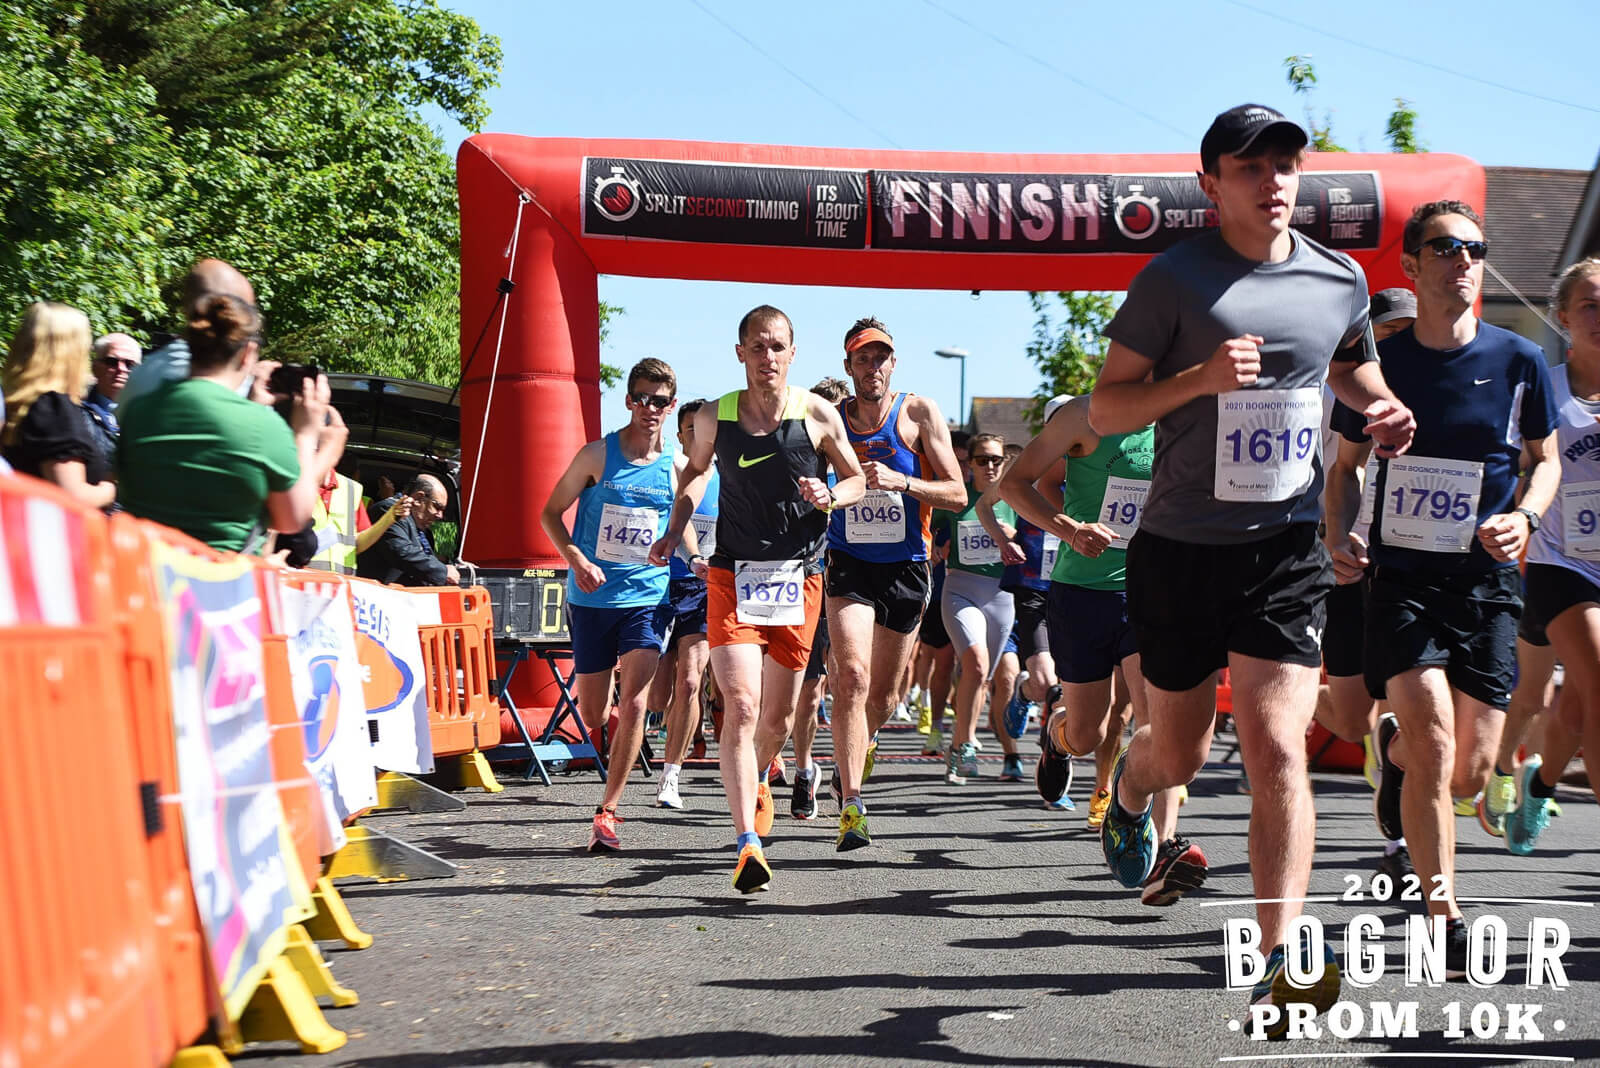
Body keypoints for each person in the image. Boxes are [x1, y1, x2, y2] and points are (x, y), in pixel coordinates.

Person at [1087, 103, 1415, 1031]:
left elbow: (1351, 372)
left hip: (1284, 549)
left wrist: (1381, 410)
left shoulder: (1337, 277)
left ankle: (1281, 951)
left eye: (1285, 162)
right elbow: (1108, 411)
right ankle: (1129, 789)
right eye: (1249, 165)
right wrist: (1197, 380)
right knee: (1179, 750)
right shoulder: (1172, 281)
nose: (1273, 179)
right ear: (1211, 183)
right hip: (1181, 551)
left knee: (1277, 747)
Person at [1328, 199, 1558, 975]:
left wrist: (1526, 516)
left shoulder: (1519, 359)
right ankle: (1443, 909)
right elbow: (1345, 470)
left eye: (1475, 248)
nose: (1464, 260)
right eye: (1447, 248)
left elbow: (1546, 459)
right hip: (1404, 577)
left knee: (1466, 770)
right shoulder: (1380, 368)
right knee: (1432, 742)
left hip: (1487, 580)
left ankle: (1390, 751)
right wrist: (1342, 533)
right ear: (1412, 265)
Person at [649, 305, 865, 893]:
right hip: (732, 576)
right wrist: (675, 528)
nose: (767, 357)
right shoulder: (715, 415)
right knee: (741, 707)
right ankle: (747, 843)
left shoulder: (818, 414)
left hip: (799, 579)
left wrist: (831, 493)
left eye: (777, 347)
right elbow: (694, 473)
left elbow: (858, 479)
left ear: (792, 353)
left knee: (776, 716)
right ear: (739, 352)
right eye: (757, 347)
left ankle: (761, 779)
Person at [1001, 393, 1204, 905]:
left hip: (1152, 591)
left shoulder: (1185, 414)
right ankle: (1057, 734)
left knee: (1160, 722)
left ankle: (1161, 849)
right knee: (1089, 733)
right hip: (1083, 595)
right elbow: (1015, 483)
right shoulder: (1083, 416)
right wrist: (1068, 527)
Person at [824, 320, 964, 848]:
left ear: (893, 363)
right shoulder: (831, 420)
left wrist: (903, 480)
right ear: (849, 367)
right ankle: (852, 803)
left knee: (880, 696)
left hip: (907, 566)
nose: (873, 367)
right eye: (863, 358)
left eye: (881, 357)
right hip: (849, 560)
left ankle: (863, 742)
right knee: (852, 677)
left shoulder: (918, 413)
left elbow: (955, 493)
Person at [541, 359, 692, 850]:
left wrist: (697, 557)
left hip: (647, 597)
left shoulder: (673, 465)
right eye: (643, 398)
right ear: (629, 400)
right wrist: (576, 557)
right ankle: (602, 728)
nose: (651, 408)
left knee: (636, 701)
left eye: (661, 401)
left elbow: (681, 523)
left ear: (671, 407)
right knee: (593, 710)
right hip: (591, 598)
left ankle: (608, 810)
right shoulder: (596, 456)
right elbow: (550, 512)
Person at [1492, 257, 1600, 851]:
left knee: (1580, 707)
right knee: (1574, 684)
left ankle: (1540, 785)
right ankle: (1510, 767)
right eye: (1589, 304)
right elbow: (1512, 466)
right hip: (1563, 562)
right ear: (1561, 317)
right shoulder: (1547, 389)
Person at [1318, 287, 1417, 880]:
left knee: (1409, 712)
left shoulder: (1430, 390)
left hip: (1410, 560)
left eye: (1411, 331)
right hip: (1338, 556)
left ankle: (1401, 838)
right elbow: (1329, 473)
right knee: (1356, 718)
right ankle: (1284, 703)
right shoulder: (1334, 389)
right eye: (1391, 334)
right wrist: (1328, 541)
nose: (1401, 345)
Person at [117, 293, 338, 551]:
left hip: (143, 574)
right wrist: (306, 434)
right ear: (248, 353)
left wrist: (254, 405)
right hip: (216, 584)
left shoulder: (140, 410)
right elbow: (291, 519)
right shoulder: (264, 428)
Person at [932, 432, 1017, 785]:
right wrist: (937, 547)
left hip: (1001, 595)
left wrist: (1016, 537)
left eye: (997, 459)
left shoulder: (1017, 498)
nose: (990, 466)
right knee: (976, 663)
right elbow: (930, 535)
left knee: (981, 677)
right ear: (970, 464)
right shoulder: (955, 499)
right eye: (982, 459)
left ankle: (955, 744)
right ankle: (966, 745)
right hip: (961, 589)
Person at [790, 375, 852, 821]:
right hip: (810, 577)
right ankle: (805, 769)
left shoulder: (861, 465)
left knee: (858, 683)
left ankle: (849, 761)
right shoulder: (797, 462)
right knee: (810, 692)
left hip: (855, 581)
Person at [655, 398, 719, 811]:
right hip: (661, 586)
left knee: (691, 681)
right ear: (680, 436)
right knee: (659, 695)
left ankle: (670, 776)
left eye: (703, 429)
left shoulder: (728, 476)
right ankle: (663, 728)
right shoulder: (667, 471)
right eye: (689, 430)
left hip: (705, 589)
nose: (697, 436)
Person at [1, 303, 115, 511]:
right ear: (71, 351)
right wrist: (113, 488)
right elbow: (73, 496)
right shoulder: (53, 409)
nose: (89, 352)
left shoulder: (12, 402)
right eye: (86, 345)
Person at [360, 474, 460, 586]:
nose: (440, 515)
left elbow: (441, 556)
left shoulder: (424, 525)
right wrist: (443, 571)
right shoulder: (389, 510)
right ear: (418, 498)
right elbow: (402, 552)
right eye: (437, 507)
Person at [82, 332, 141, 469]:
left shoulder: (153, 413)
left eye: (130, 364)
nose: (121, 369)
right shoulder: (75, 410)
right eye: (112, 362)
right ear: (95, 367)